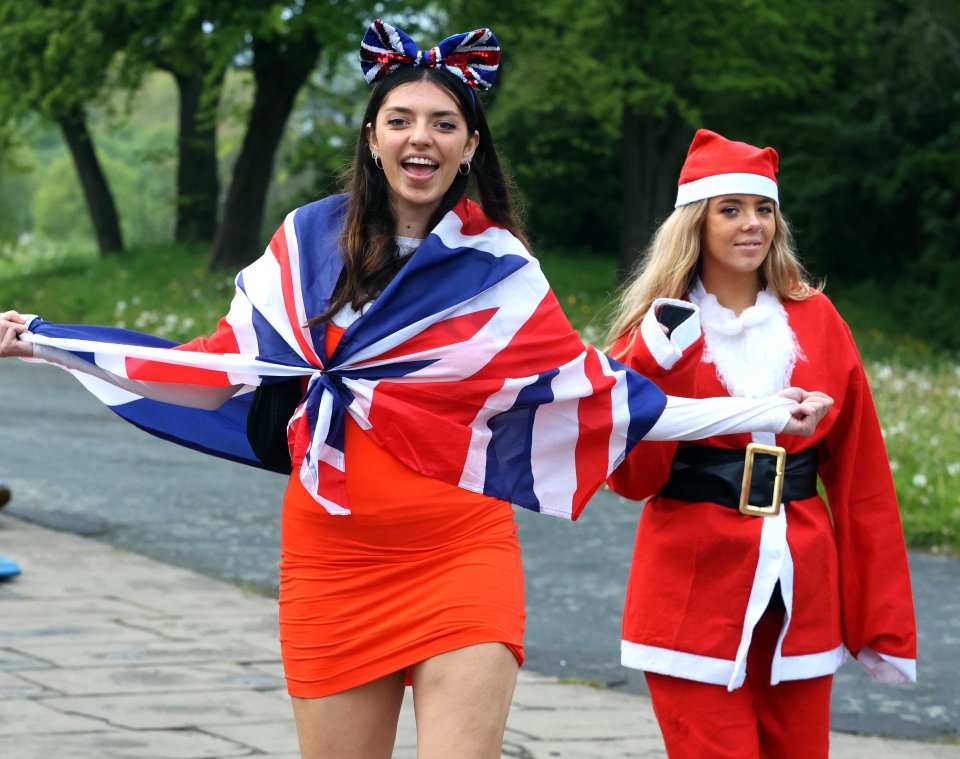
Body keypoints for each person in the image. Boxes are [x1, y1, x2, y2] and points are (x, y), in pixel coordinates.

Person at [0, 25, 832, 759]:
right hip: (332, 561)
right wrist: (46, 342)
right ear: (371, 136)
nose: (420, 138)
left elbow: (598, 399)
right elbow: (212, 378)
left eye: (443, 123)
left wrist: (759, 410)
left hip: (461, 557)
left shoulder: (499, 270)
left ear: (470, 145)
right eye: (400, 120)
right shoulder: (304, 244)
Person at [605, 129, 917, 759]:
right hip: (690, 593)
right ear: (695, 222)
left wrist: (881, 617)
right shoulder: (657, 331)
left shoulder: (817, 319)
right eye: (731, 209)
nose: (752, 225)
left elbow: (863, 483)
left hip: (802, 590)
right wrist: (654, 365)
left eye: (764, 209)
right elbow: (631, 479)